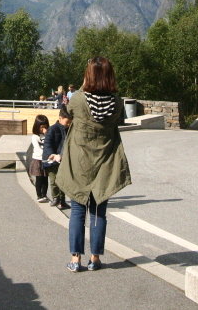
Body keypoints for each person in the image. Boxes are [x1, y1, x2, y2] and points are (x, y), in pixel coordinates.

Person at [58, 56, 131, 272]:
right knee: (99, 213)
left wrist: (84, 86)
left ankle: (75, 259)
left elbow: (65, 115)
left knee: (77, 211)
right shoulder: (117, 102)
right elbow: (119, 120)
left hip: (79, 164)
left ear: (87, 76)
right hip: (105, 164)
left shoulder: (78, 99)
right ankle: (95, 259)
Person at [42, 107, 72, 210]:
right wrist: (50, 154)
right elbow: (47, 143)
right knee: (54, 180)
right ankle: (55, 197)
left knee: (63, 181)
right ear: (60, 118)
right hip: (52, 160)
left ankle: (62, 200)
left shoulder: (69, 130)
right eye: (67, 122)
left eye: (70, 123)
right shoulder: (53, 129)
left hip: (63, 160)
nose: (68, 124)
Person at [29, 115, 50, 203]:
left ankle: (44, 194)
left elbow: (50, 144)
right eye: (41, 127)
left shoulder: (48, 135)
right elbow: (37, 148)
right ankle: (39, 195)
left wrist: (47, 134)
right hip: (37, 159)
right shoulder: (35, 136)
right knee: (39, 178)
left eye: (45, 127)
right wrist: (46, 154)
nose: (43, 129)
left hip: (46, 160)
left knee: (45, 178)